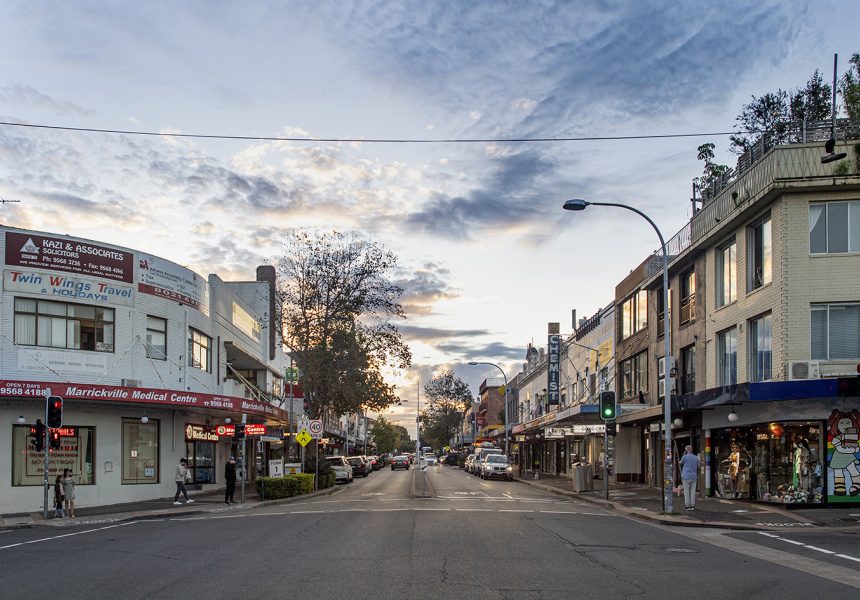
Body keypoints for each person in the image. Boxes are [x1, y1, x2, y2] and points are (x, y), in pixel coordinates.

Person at [679, 445, 701, 511]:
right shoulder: (696, 458)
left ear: (686, 451)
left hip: (686, 476)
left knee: (686, 491)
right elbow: (699, 467)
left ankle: (687, 505)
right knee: (693, 491)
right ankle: (692, 505)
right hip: (694, 476)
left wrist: (684, 455)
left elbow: (680, 463)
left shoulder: (684, 457)